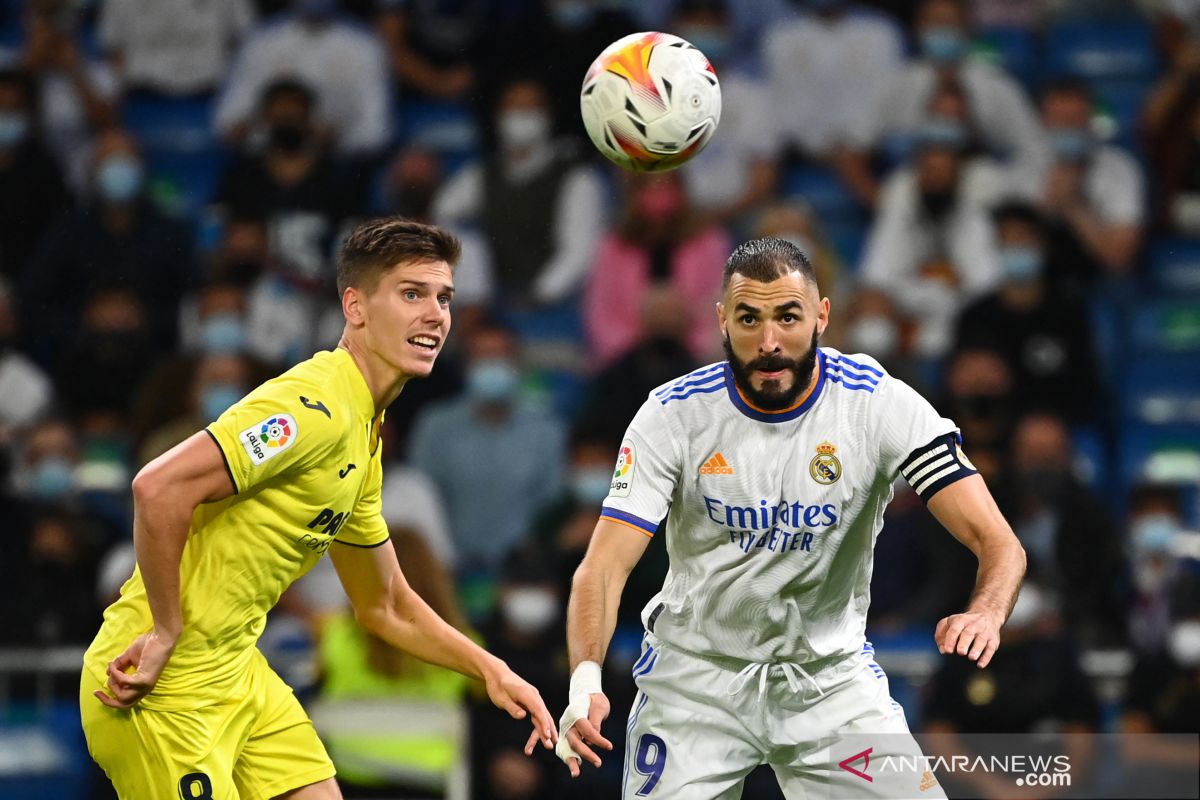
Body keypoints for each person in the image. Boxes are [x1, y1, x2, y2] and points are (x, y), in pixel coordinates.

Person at [80, 218, 557, 799]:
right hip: (161, 681)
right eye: (412, 294)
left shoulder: (363, 433)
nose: (435, 315)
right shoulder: (313, 406)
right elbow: (158, 488)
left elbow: (384, 604)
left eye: (444, 297)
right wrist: (164, 628)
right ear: (355, 306)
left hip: (236, 672)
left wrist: (492, 670)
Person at [554, 238, 1026, 797]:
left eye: (788, 316)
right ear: (721, 321)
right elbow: (603, 568)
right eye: (749, 319)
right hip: (696, 682)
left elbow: (998, 542)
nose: (769, 342)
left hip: (828, 683)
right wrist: (585, 678)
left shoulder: (876, 404)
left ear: (822, 315)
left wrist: (987, 612)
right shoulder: (672, 414)